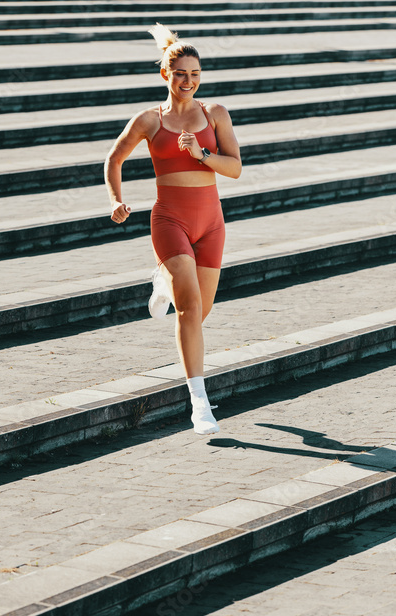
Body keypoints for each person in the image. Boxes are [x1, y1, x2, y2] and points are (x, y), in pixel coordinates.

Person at [104, 23, 242, 435]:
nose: (189, 81)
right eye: (181, 73)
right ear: (166, 75)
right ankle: (199, 401)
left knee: (201, 313)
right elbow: (114, 158)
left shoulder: (215, 115)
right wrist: (115, 199)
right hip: (169, 219)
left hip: (211, 223)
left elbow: (234, 168)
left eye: (195, 74)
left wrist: (201, 154)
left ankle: (162, 283)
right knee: (188, 310)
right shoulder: (149, 120)